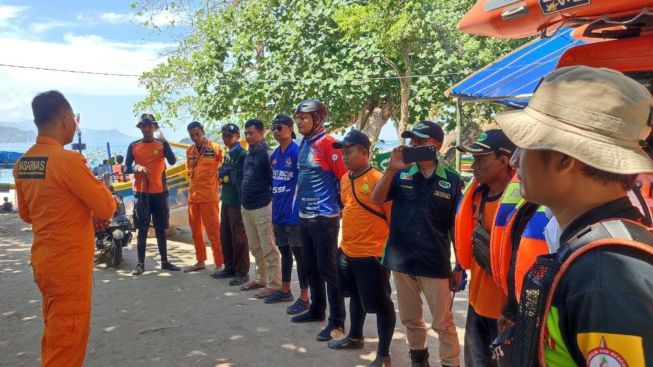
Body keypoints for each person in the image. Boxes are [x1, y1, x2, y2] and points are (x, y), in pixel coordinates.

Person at [495, 66, 653, 366]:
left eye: (524, 145)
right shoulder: (592, 252)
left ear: (565, 158)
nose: (514, 160)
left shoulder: (606, 277)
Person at [13, 90, 116, 366]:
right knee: (67, 345)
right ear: (66, 119)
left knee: (55, 335)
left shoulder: (24, 163)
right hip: (69, 269)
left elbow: (27, 214)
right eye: (74, 121)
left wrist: (80, 217)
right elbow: (106, 207)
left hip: (45, 263)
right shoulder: (68, 161)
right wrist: (102, 193)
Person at [371, 120, 462, 367]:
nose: (414, 145)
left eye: (421, 142)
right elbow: (377, 198)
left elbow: (457, 228)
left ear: (438, 145)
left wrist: (460, 266)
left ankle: (450, 363)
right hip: (402, 262)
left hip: (434, 263)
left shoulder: (453, 181)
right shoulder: (401, 173)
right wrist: (391, 170)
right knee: (411, 320)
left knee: (443, 323)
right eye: (412, 141)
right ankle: (418, 360)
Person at [328, 129, 395, 367]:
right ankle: (355, 336)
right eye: (342, 153)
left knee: (382, 305)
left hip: (373, 255)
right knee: (354, 296)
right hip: (348, 251)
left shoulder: (379, 179)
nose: (344, 157)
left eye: (349, 152)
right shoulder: (345, 179)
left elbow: (392, 218)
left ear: (364, 153)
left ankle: (384, 354)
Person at [453, 130, 516, 366]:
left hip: (505, 313)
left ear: (504, 160)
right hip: (476, 305)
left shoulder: (523, 203)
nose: (473, 165)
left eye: (481, 159)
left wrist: (514, 310)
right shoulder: (477, 196)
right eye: (473, 158)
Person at [291, 99, 348, 342]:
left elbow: (344, 179)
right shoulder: (305, 143)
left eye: (304, 118)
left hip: (325, 216)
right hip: (305, 215)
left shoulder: (328, 144)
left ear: (319, 119)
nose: (299, 122)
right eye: (298, 118)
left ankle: (337, 322)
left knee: (329, 269)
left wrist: (343, 209)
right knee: (310, 266)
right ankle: (316, 309)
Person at [266, 114, 311, 314]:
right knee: (284, 252)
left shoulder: (297, 151)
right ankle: (285, 290)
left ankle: (304, 296)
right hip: (278, 212)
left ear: (289, 129)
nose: (276, 132)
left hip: (293, 214)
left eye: (280, 128)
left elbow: (305, 182)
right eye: (274, 128)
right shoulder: (274, 155)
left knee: (299, 256)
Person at [124, 113, 180, 275]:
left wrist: (165, 142)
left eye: (150, 126)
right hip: (141, 194)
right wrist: (136, 167)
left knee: (161, 228)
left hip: (159, 193)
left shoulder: (161, 145)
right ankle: (140, 264)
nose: (147, 129)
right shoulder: (133, 146)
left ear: (154, 127)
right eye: (144, 126)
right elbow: (127, 167)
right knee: (141, 229)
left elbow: (172, 161)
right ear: (140, 128)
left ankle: (164, 261)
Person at [239, 119, 282, 299]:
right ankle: (260, 278)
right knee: (255, 247)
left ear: (262, 133)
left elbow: (275, 181)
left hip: (262, 206)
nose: (248, 136)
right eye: (246, 133)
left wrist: (269, 202)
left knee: (268, 247)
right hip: (246, 206)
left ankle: (275, 284)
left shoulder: (267, 154)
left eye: (252, 133)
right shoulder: (250, 152)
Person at [183, 121, 224, 275]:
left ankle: (219, 263)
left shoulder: (215, 148)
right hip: (193, 197)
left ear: (203, 131)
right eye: (192, 135)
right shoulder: (190, 151)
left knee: (214, 231)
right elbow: (189, 171)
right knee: (196, 232)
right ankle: (200, 261)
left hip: (209, 197)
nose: (195, 137)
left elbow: (224, 168)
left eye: (197, 134)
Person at [212, 123, 251, 286]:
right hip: (227, 199)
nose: (226, 138)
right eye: (224, 135)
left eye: (229, 135)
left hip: (237, 201)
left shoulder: (242, 154)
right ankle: (229, 267)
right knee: (226, 235)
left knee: (239, 237)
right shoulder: (227, 153)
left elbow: (244, 179)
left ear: (237, 137)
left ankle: (242, 271)